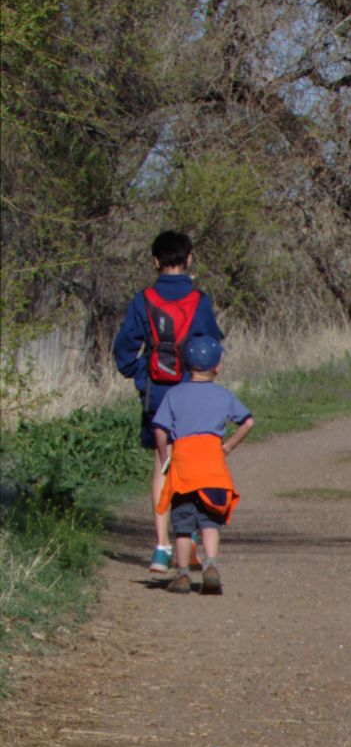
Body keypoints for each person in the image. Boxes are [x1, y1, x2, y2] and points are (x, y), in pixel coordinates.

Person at [112, 230, 225, 574]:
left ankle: (162, 546)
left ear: (155, 261)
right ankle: (187, 545)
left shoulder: (142, 299)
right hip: (191, 393)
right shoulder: (199, 300)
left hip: (156, 395)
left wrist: (142, 375)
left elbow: (123, 351)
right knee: (191, 465)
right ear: (189, 259)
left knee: (161, 464)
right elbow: (212, 348)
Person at [152, 333, 253, 595]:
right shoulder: (223, 395)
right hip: (213, 469)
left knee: (184, 527)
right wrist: (228, 446)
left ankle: (183, 575)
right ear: (217, 367)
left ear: (184, 365)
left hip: (184, 469)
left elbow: (160, 431)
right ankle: (210, 564)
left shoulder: (174, 394)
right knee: (210, 522)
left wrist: (165, 457)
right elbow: (248, 422)